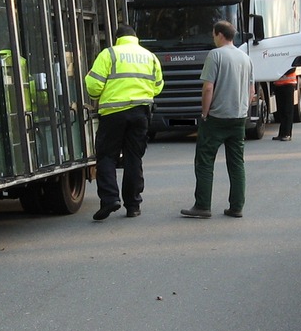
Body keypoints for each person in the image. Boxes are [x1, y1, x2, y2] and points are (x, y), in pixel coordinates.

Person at [85, 24, 163, 220]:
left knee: (106, 156)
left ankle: (110, 199)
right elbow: (158, 86)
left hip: (113, 113)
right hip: (140, 113)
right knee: (133, 157)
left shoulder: (108, 54)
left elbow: (94, 86)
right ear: (135, 37)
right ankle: (133, 205)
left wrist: (99, 92)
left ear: (117, 38)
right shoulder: (149, 56)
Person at [182, 21, 254, 219]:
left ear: (220, 35)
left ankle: (203, 205)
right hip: (238, 117)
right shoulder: (245, 58)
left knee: (204, 161)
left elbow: (208, 88)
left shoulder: (215, 55)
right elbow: (251, 90)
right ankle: (237, 206)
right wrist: (244, 110)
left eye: (214, 34)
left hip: (216, 117)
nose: (213, 38)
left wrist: (205, 113)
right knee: (236, 163)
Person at [272, 71, 296, 141]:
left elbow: (292, 69)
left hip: (288, 84)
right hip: (278, 84)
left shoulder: (289, 60)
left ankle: (287, 134)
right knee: (281, 110)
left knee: (288, 110)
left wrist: (282, 72)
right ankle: (281, 133)